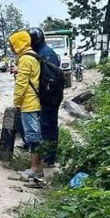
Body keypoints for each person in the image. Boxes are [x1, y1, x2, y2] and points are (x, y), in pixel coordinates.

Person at [9, 30, 43, 179]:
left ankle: (35, 169)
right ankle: (36, 167)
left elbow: (21, 84)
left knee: (32, 137)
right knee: (34, 135)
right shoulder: (33, 56)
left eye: (12, 45)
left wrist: (16, 102)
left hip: (28, 104)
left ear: (19, 43)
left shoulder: (25, 59)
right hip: (35, 101)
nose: (11, 48)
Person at [29, 27, 63, 166]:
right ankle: (46, 156)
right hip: (46, 96)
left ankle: (49, 159)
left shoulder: (46, 54)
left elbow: (50, 78)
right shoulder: (40, 52)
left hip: (50, 97)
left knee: (48, 125)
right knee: (44, 126)